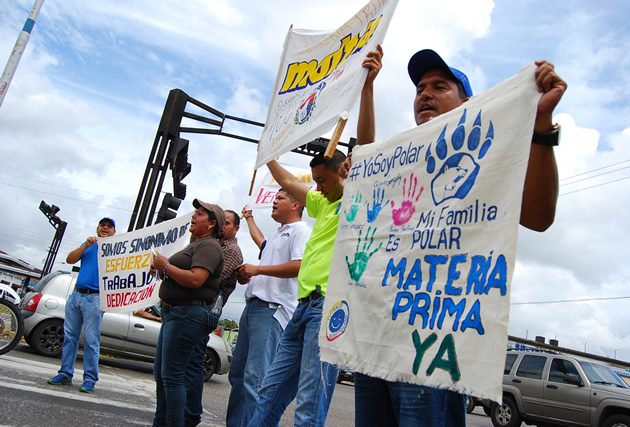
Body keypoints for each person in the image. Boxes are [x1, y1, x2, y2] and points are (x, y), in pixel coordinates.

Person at [348, 46, 567, 426]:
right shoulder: (404, 159)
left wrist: (542, 125)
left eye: (439, 85)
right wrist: (368, 89)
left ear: (468, 101)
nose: (424, 94)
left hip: (430, 349)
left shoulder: (486, 154)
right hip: (374, 337)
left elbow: (538, 217)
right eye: (419, 88)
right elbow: (367, 156)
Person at [246, 151, 346, 426]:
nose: (318, 187)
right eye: (314, 181)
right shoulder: (322, 204)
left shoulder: (354, 201)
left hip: (328, 307)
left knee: (309, 402)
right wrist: (268, 154)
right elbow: (288, 182)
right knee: (268, 391)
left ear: (344, 172)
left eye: (323, 180)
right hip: (302, 309)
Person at [226, 189, 311, 427]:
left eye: (280, 198)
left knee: (255, 379)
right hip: (252, 308)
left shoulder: (301, 231)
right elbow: (260, 242)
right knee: (238, 375)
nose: (274, 201)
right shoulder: (277, 234)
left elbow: (300, 265)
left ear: (295, 205)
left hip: (271, 310)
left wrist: (259, 270)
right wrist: (250, 218)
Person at [150, 199, 225, 427]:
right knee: (162, 376)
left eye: (200, 214)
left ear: (212, 224)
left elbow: (196, 279)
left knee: (172, 377)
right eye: (195, 212)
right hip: (176, 314)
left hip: (187, 314)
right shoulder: (196, 245)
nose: (194, 216)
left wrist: (165, 266)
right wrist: (163, 269)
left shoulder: (209, 246)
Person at [47, 217, 116, 393]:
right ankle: (65, 373)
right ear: (97, 228)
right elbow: (70, 260)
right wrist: (85, 245)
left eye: (109, 226)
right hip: (77, 295)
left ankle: (90, 378)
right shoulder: (88, 245)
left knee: (92, 341)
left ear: (114, 232)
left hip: (95, 298)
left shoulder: (116, 250)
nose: (105, 228)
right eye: (103, 225)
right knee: (70, 337)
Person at [219, 209, 244, 303]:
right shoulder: (215, 246)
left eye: (226, 223)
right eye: (220, 222)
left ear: (236, 228)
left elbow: (219, 279)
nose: (222, 226)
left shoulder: (232, 250)